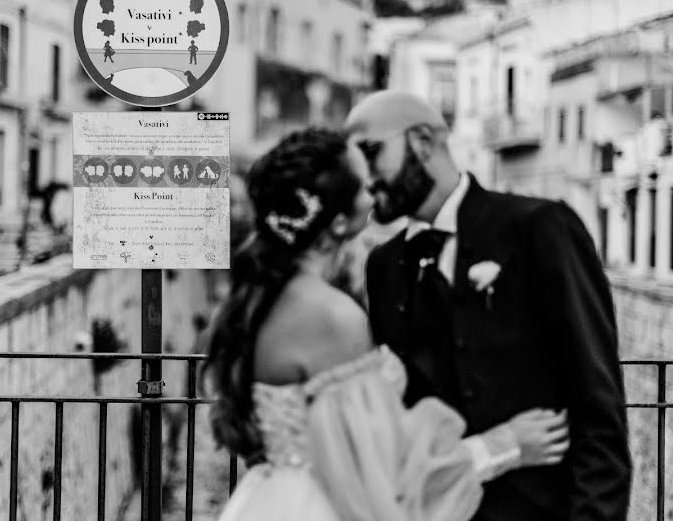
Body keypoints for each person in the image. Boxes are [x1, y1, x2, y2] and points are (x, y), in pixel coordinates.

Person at [203, 128, 569, 521]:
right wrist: (503, 445)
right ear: (340, 221)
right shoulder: (333, 317)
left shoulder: (260, 300)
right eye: (363, 184)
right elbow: (382, 477)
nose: (374, 187)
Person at [346, 91, 632, 521]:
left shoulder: (539, 228)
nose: (364, 178)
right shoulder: (383, 267)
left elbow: (599, 411)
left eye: (371, 153)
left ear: (423, 140)